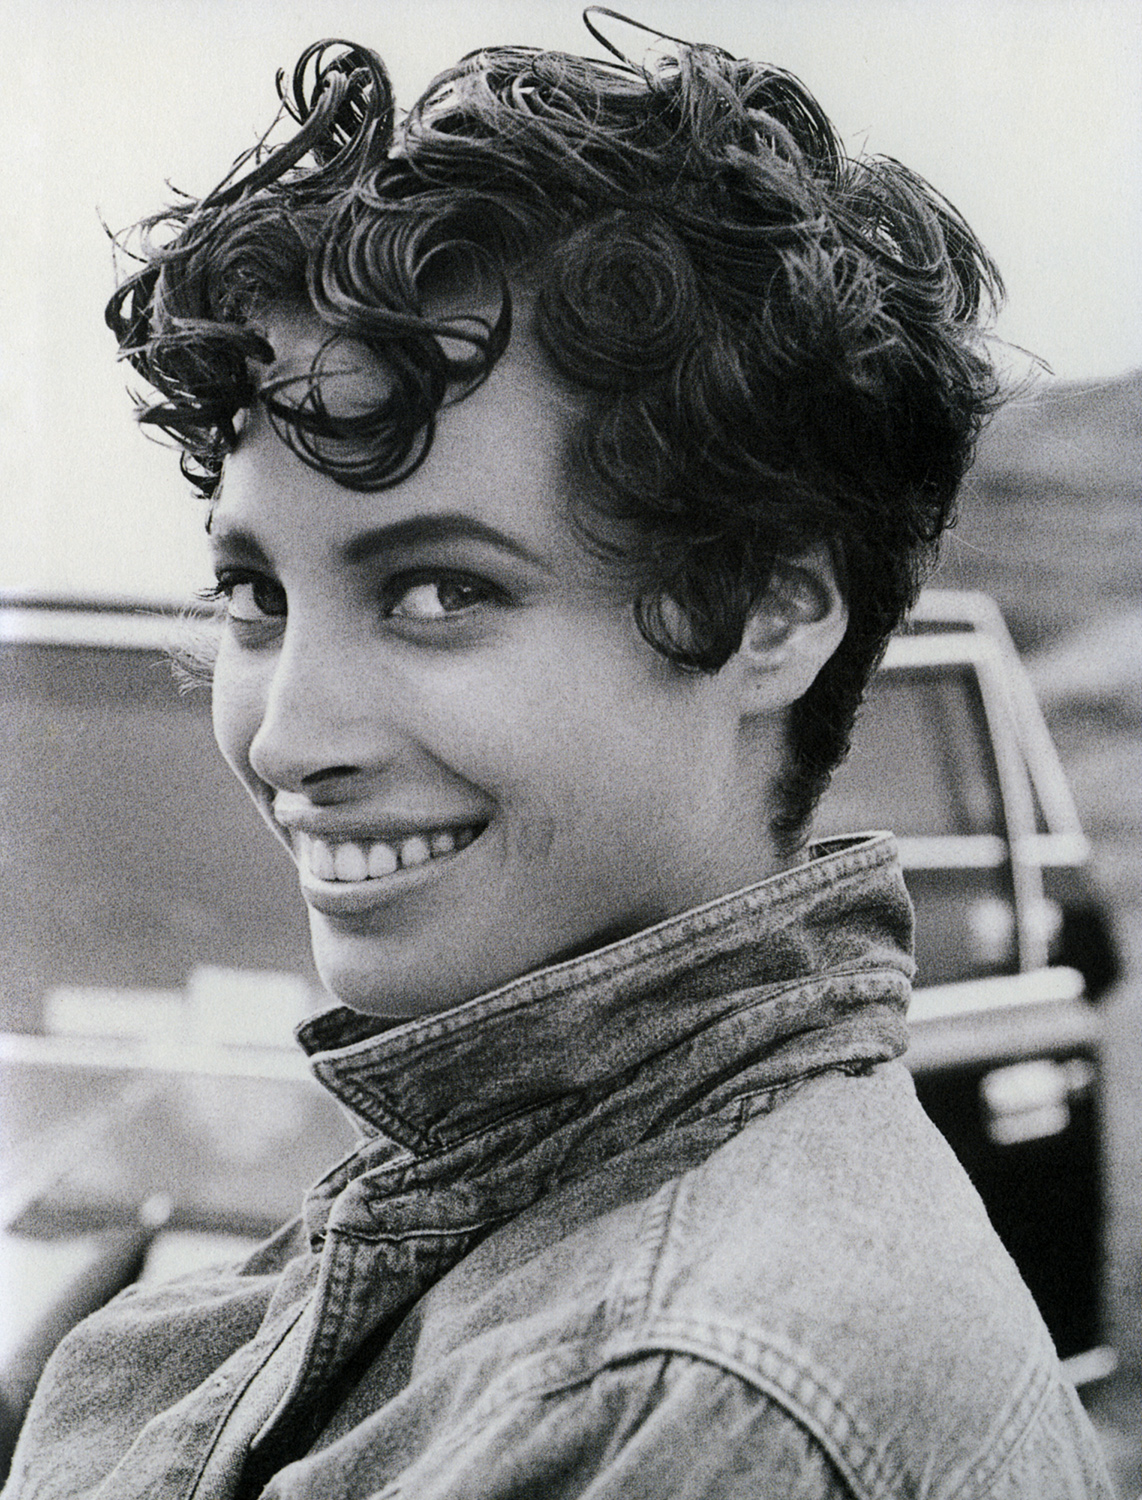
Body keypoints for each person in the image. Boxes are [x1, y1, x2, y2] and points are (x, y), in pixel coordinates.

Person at [4, 14, 1115, 1498]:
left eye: (440, 591)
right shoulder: (502, 1200)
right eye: (258, 594)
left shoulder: (679, 1392)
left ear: (768, 613)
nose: (286, 734)